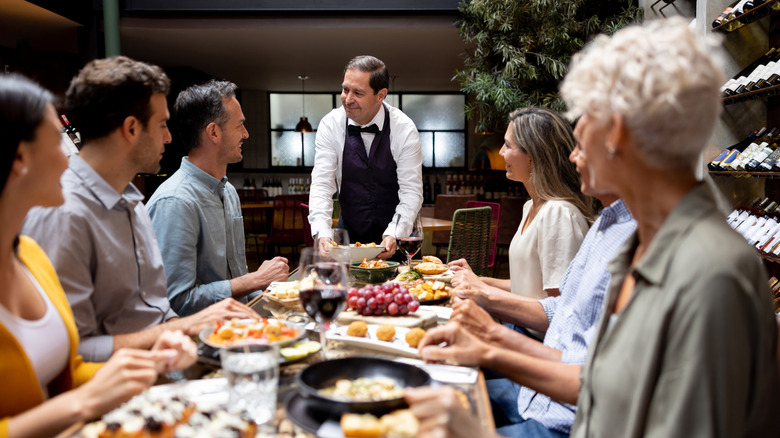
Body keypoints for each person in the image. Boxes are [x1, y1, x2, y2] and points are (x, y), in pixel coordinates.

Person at [558, 17, 778, 436]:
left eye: (585, 119)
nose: (574, 148)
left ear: (616, 131)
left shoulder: (711, 275)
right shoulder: (639, 243)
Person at [23, 56, 258, 362]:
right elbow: (66, 355)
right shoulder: (63, 211)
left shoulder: (131, 203)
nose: (169, 137)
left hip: (164, 370)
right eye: (161, 124)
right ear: (131, 129)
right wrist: (183, 328)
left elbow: (157, 313)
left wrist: (186, 333)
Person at [0, 73, 196, 437]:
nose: (69, 157)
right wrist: (86, 400)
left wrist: (150, 359)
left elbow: (67, 369)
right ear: (20, 158)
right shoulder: (64, 215)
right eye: (55, 143)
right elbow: (76, 393)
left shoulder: (28, 257)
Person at [418, 141, 635, 437]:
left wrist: (491, 337)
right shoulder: (606, 223)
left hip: (562, 417)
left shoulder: (638, 238)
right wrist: (485, 303)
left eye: (584, 144)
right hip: (540, 396)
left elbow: (606, 386)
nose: (571, 155)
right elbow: (563, 311)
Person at [146, 80, 289, 316]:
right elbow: (175, 302)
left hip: (239, 327)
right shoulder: (175, 201)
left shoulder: (228, 191)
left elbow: (236, 286)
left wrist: (278, 294)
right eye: (239, 126)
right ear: (213, 132)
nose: (246, 134)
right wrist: (255, 280)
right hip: (199, 341)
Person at [450, 108, 593, 304]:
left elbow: (558, 310)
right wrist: (475, 279)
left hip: (531, 334)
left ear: (532, 156)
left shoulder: (559, 213)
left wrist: (483, 290)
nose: (500, 152)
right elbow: (527, 287)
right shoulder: (531, 207)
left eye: (508, 145)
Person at [308, 55, 423, 259]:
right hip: (346, 239)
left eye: (358, 93)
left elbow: (412, 192)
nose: (348, 99)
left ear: (381, 95)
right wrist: (322, 233)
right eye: (345, 89)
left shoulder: (404, 128)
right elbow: (322, 184)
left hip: (394, 239)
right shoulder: (330, 124)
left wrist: (394, 234)